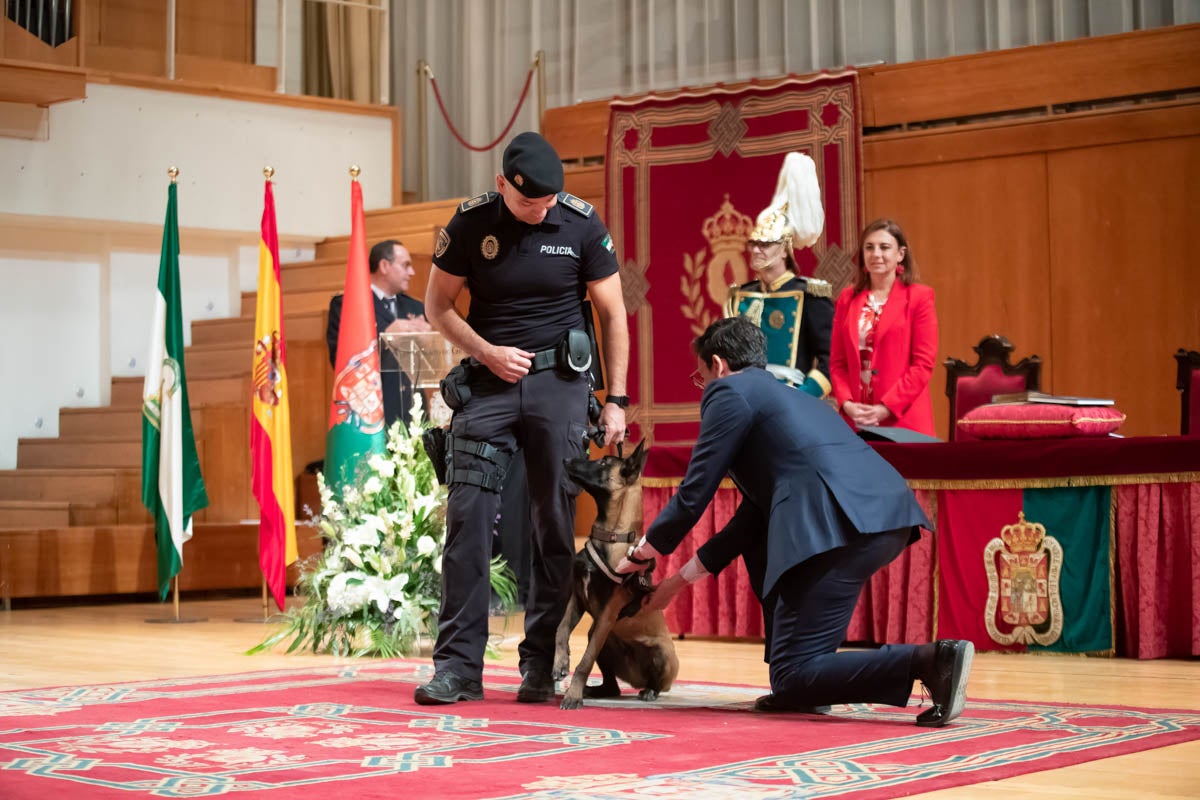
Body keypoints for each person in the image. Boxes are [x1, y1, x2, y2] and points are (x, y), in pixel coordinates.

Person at [617, 317, 973, 727]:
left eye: (701, 379)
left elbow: (695, 492)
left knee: (791, 677)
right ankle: (818, 686)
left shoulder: (728, 392)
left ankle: (931, 660)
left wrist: (642, 554)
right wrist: (676, 583)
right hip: (877, 517)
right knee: (798, 673)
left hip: (835, 527)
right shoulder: (787, 397)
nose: (704, 388)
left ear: (717, 364)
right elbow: (750, 520)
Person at [415, 131, 629, 705]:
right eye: (532, 202)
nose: (544, 210)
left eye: (550, 201)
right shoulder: (469, 224)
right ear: (501, 185)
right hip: (488, 384)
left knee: (553, 524)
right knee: (466, 518)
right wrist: (486, 352)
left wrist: (617, 399)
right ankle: (458, 667)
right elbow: (436, 307)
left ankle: (541, 663)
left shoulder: (580, 223)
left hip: (560, 383)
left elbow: (613, 314)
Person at [725, 152, 833, 398]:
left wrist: (801, 397)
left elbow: (829, 360)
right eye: (753, 243)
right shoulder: (740, 295)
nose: (756, 250)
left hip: (790, 396)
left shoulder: (810, 295)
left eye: (766, 244)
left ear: (784, 249)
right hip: (745, 397)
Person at [829, 219, 938, 436]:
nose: (876, 254)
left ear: (900, 254)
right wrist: (847, 403)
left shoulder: (919, 297)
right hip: (855, 421)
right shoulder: (847, 298)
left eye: (884, 247)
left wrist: (886, 408)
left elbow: (923, 364)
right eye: (869, 247)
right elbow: (837, 363)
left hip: (903, 420)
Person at [326, 239, 431, 428]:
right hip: (370, 414)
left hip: (412, 413)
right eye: (405, 265)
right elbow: (341, 360)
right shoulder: (348, 304)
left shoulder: (414, 307)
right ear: (384, 265)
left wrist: (429, 339)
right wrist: (385, 335)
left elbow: (429, 364)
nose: (411, 272)